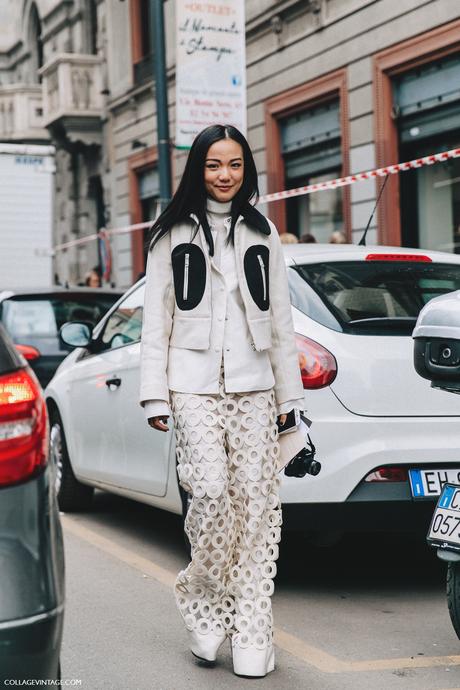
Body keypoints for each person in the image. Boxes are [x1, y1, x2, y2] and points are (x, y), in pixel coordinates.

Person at [138, 124, 305, 678]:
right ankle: (206, 602)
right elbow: (156, 321)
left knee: (257, 508)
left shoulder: (263, 233)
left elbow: (280, 323)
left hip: (256, 387)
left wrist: (289, 399)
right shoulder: (170, 235)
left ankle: (254, 625)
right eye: (213, 165)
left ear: (246, 169)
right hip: (192, 387)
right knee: (209, 495)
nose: (224, 175)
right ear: (198, 170)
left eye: (234, 164)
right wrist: (154, 394)